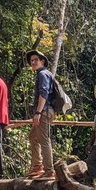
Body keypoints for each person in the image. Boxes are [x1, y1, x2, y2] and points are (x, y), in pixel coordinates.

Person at [26, 49, 55, 179]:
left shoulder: (43, 74)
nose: (33, 62)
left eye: (35, 60)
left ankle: (49, 170)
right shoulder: (43, 74)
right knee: (33, 136)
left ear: (42, 61)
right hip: (45, 110)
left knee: (44, 140)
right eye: (31, 60)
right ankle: (38, 166)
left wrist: (38, 112)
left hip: (44, 111)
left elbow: (44, 94)